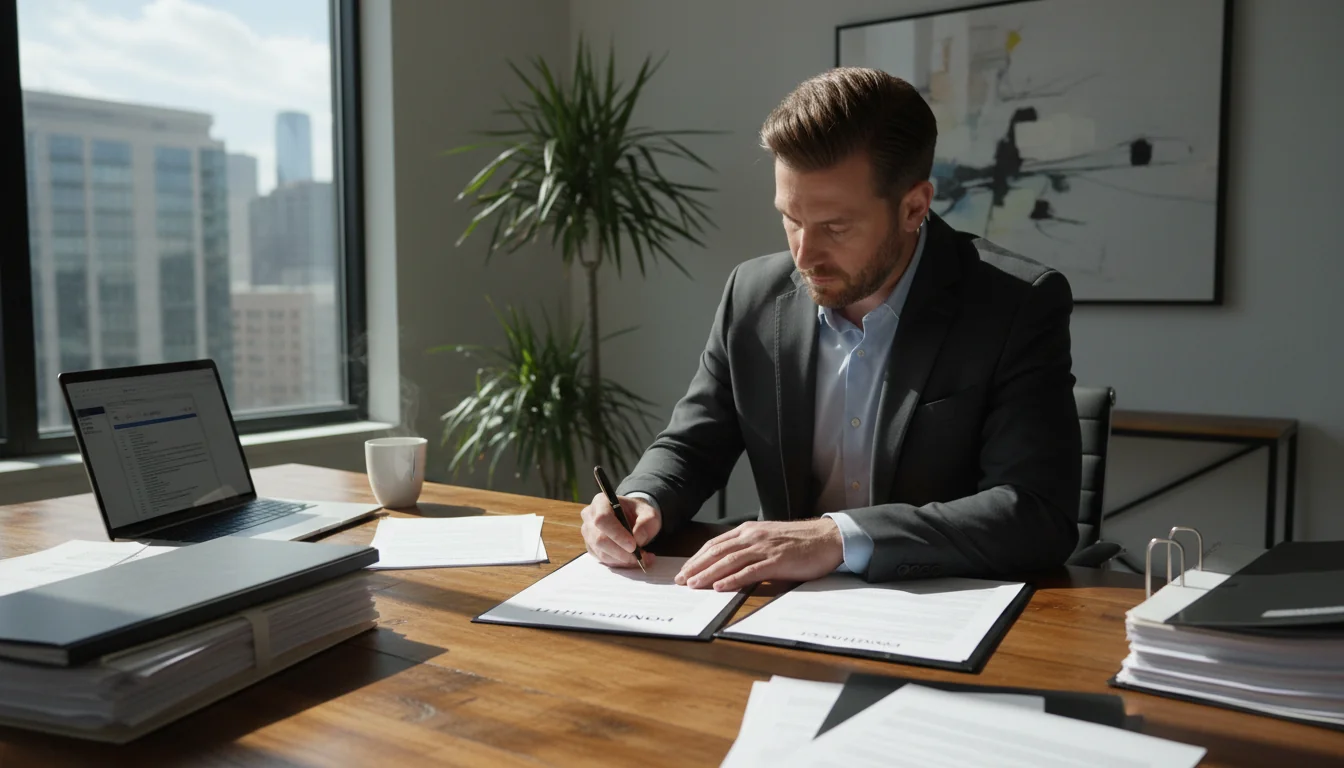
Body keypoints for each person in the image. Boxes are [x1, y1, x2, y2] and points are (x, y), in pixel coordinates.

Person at [580, 67, 1081, 591]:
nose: (803, 254)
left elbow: (1036, 512)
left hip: (941, 609)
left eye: (835, 228)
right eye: (790, 219)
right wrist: (643, 498)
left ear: (914, 207)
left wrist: (836, 538)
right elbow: (693, 443)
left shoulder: (1014, 303)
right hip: (777, 611)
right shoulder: (752, 294)